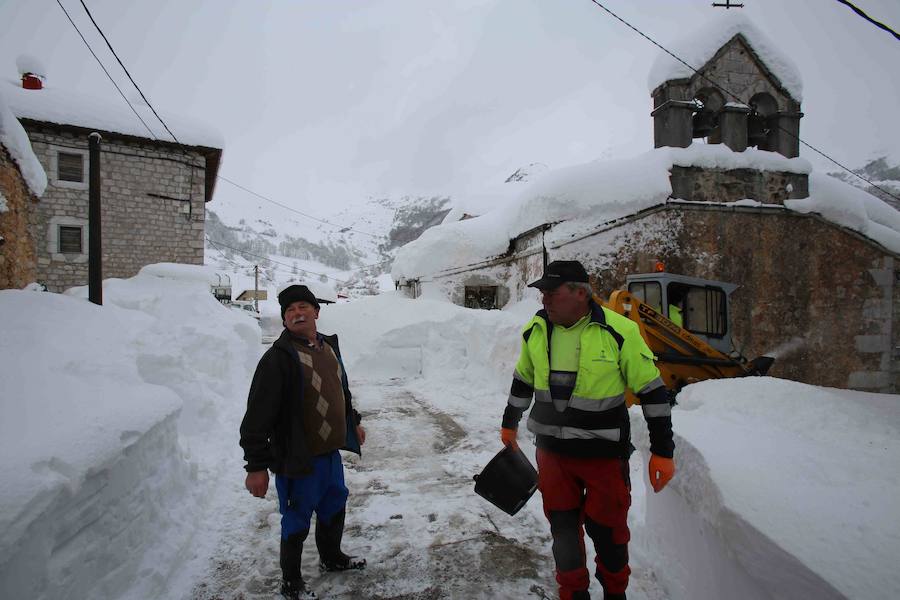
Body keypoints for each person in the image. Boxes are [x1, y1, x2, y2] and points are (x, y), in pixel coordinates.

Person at [500, 261, 675, 600]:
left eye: (553, 293)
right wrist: (509, 424)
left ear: (581, 293)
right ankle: (573, 592)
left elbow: (652, 393)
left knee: (608, 532)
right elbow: (522, 380)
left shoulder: (619, 331)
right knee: (563, 530)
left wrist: (663, 451)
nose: (545, 300)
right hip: (552, 456)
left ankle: (614, 593)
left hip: (603, 457)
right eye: (542, 293)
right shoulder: (536, 329)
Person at [240, 284, 367, 600]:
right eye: (290, 310)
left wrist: (354, 422)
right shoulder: (277, 360)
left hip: (330, 455)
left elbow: (341, 391)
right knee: (296, 518)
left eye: (302, 307)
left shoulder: (328, 348)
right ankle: (291, 583)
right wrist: (255, 466)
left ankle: (331, 557)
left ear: (316, 312)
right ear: (284, 320)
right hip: (298, 457)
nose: (297, 314)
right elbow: (256, 417)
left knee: (334, 504)